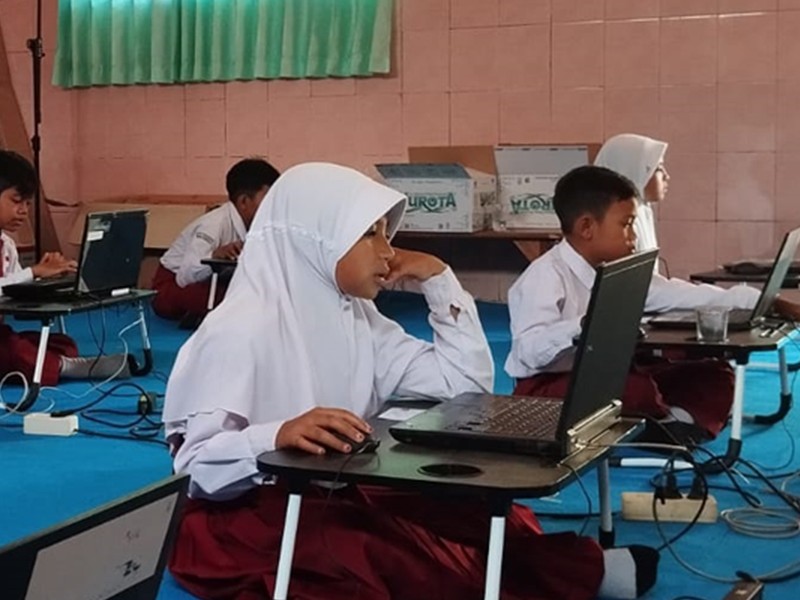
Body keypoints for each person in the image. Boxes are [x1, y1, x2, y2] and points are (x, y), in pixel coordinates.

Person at [163, 162, 659, 600]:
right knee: (380, 552)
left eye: (386, 233)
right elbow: (196, 468)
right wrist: (275, 435)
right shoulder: (237, 331)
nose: (388, 251)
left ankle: (567, 573)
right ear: (317, 239)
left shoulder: (356, 318)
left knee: (476, 509)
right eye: (370, 234)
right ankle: (571, 577)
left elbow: (464, 382)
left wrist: (439, 279)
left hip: (335, 484)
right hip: (248, 514)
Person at [506, 166, 800, 444]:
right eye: (626, 225)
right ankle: (665, 423)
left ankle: (670, 424)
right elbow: (529, 351)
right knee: (632, 388)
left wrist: (767, 302)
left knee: (714, 372)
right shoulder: (544, 277)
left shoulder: (619, 271)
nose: (633, 237)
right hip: (548, 385)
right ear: (586, 227)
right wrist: (586, 325)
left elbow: (686, 295)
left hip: (612, 372)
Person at [0, 150, 130, 384]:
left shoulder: (6, 244)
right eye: (16, 201)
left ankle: (56, 362)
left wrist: (46, 283)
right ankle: (64, 366)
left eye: (27, 203)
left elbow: (11, 295)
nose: (24, 211)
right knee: (13, 350)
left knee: (62, 343)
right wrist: (33, 272)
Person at [151, 157, 280, 324]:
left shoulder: (259, 226)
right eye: (268, 200)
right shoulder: (213, 224)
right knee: (236, 299)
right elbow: (185, 276)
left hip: (213, 282)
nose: (272, 207)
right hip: (170, 288)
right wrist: (214, 255)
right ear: (243, 201)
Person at [594, 133, 667, 255]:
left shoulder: (643, 210)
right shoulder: (616, 223)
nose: (666, 176)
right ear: (634, 170)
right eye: (658, 168)